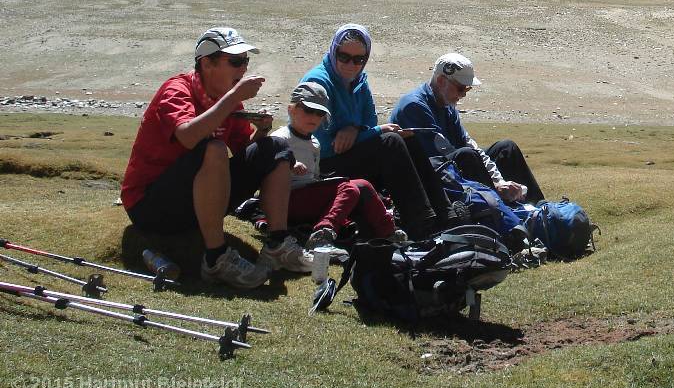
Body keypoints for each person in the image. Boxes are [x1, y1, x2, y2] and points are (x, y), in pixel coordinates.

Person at [121, 27, 312, 289]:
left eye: (245, 61)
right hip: (150, 207)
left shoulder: (227, 99)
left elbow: (245, 153)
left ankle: (277, 243)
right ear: (206, 63)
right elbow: (188, 136)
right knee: (213, 149)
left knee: (275, 146)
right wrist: (234, 97)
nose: (243, 68)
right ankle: (216, 258)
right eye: (235, 61)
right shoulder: (176, 90)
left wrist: (262, 132)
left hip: (193, 199)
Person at [301, 24, 452, 240]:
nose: (351, 65)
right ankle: (422, 225)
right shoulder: (318, 83)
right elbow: (324, 145)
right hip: (319, 168)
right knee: (390, 143)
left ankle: (446, 215)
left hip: (344, 158)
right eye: (344, 57)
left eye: (358, 59)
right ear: (333, 51)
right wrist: (372, 131)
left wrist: (355, 129)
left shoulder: (358, 81)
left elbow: (369, 121)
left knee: (408, 140)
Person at [390, 52, 545, 204]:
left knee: (506, 148)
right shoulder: (414, 106)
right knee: (466, 156)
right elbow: (443, 155)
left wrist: (499, 180)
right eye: (460, 88)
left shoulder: (446, 105)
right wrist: (495, 187)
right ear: (441, 81)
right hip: (422, 177)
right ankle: (497, 206)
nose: (464, 94)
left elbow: (469, 144)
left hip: (446, 167)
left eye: (467, 89)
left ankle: (540, 207)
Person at [274, 81, 401, 248]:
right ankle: (323, 233)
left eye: (320, 113)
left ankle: (389, 232)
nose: (314, 117)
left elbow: (314, 175)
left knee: (363, 184)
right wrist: (291, 164)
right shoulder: (281, 137)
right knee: (349, 188)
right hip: (285, 199)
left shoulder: (314, 142)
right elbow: (269, 165)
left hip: (308, 194)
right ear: (291, 109)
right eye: (308, 110)